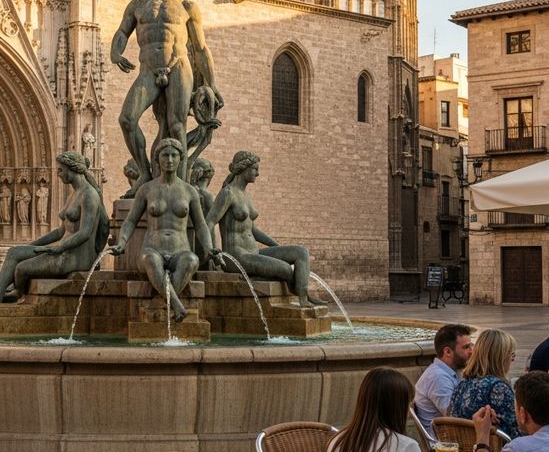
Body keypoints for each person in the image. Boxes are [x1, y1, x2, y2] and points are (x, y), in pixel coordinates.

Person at [110, 0, 223, 190]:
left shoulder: (186, 7)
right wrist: (115, 52)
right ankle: (144, 173)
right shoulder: (137, 5)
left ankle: (178, 185)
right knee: (127, 119)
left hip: (178, 67)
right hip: (149, 69)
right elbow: (122, 32)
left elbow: (201, 49)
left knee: (177, 125)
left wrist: (211, 85)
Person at [111, 137, 217, 321]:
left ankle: (162, 302)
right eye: (165, 155)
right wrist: (121, 243)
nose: (169, 160)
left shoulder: (189, 191)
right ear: (157, 159)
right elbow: (130, 221)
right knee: (151, 260)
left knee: (192, 260)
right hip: (152, 249)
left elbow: (201, 224)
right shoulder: (146, 189)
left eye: (174, 155)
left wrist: (208, 248)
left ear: (180, 159)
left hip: (180, 250)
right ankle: (176, 305)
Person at [207, 151, 326, 307]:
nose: (258, 173)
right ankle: (291, 292)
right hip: (236, 256)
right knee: (285, 269)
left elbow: (253, 230)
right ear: (243, 168)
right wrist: (214, 251)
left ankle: (304, 296)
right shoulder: (227, 193)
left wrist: (277, 247)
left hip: (253, 253)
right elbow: (209, 222)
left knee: (301, 252)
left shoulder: (246, 196)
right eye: (255, 169)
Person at [0, 152, 109, 302]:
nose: (57, 173)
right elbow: (60, 232)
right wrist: (31, 246)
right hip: (63, 251)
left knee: (21, 269)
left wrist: (60, 248)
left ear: (72, 169)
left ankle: (17, 293)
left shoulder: (89, 195)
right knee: (14, 252)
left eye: (60, 170)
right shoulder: (74, 194)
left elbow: (86, 232)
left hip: (76, 257)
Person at [448, 329, 519, 439]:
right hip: (493, 451)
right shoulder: (498, 387)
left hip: (464, 449)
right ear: (501, 357)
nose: (513, 360)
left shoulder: (461, 385)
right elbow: (514, 432)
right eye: (512, 355)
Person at [413, 324, 474, 435]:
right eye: (466, 347)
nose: (471, 351)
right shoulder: (438, 377)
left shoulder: (449, 372)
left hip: (451, 438)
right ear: (448, 352)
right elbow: (455, 417)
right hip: (444, 444)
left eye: (471, 346)